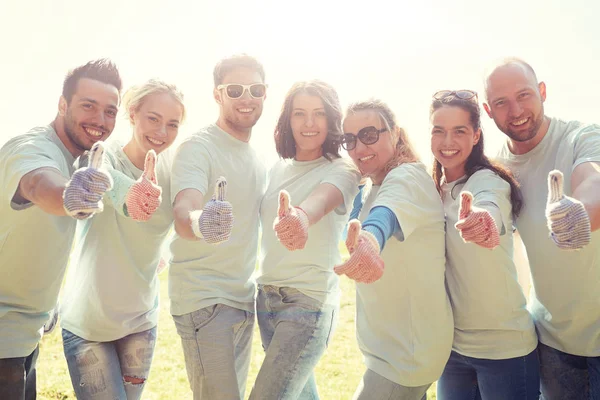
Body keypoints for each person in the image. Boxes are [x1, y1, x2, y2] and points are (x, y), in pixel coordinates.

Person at [0, 59, 122, 399]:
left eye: (110, 111)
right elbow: (40, 185)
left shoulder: (77, 159)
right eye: (88, 106)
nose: (99, 120)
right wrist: (70, 195)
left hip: (22, 337)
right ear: (62, 105)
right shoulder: (31, 148)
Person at [59, 79, 185, 400]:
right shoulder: (103, 157)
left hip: (140, 322)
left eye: (172, 124)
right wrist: (132, 195)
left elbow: (184, 214)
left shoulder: (174, 168)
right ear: (133, 114)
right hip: (88, 325)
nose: (161, 131)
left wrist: (164, 252)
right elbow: (102, 179)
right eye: (153, 119)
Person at [484, 58, 600, 400]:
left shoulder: (582, 135)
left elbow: (593, 177)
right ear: (488, 111)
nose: (516, 110)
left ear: (543, 92)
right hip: (553, 345)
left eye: (524, 95)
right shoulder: (497, 170)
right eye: (501, 102)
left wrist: (579, 213)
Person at [335, 99, 453, 400]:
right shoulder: (375, 183)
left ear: (396, 134)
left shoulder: (406, 177)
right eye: (349, 139)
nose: (359, 147)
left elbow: (383, 217)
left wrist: (369, 241)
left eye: (369, 135)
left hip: (404, 357)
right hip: (394, 351)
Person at [249, 80, 360, 399]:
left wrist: (300, 217)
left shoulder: (343, 170)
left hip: (307, 305)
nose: (309, 123)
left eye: (318, 114)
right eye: (299, 114)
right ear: (288, 120)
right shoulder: (277, 169)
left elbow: (321, 201)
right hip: (267, 300)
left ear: (332, 120)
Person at [429, 90, 539, 399]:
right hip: (452, 351)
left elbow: (489, 204)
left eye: (459, 131)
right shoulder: (432, 190)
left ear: (476, 135)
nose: (447, 140)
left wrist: (483, 221)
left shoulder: (488, 181)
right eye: (439, 130)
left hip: (506, 350)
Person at [170, 54, 267, 399]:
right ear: (217, 94)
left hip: (243, 299)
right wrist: (202, 223)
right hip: (204, 301)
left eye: (255, 89)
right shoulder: (199, 147)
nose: (246, 98)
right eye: (235, 89)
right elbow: (185, 208)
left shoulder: (257, 158)